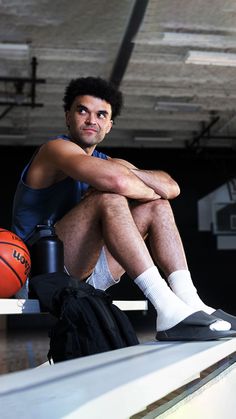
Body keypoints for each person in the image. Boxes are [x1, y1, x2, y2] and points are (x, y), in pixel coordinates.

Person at [11, 76, 236, 341]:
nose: (91, 120)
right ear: (67, 117)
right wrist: (133, 184)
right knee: (110, 198)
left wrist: (142, 187)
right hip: (38, 276)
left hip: (84, 276)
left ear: (109, 125)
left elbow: (172, 188)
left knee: (158, 205)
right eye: (82, 110)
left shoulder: (107, 161)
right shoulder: (55, 150)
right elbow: (117, 181)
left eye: (101, 114)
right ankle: (166, 308)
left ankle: (189, 300)